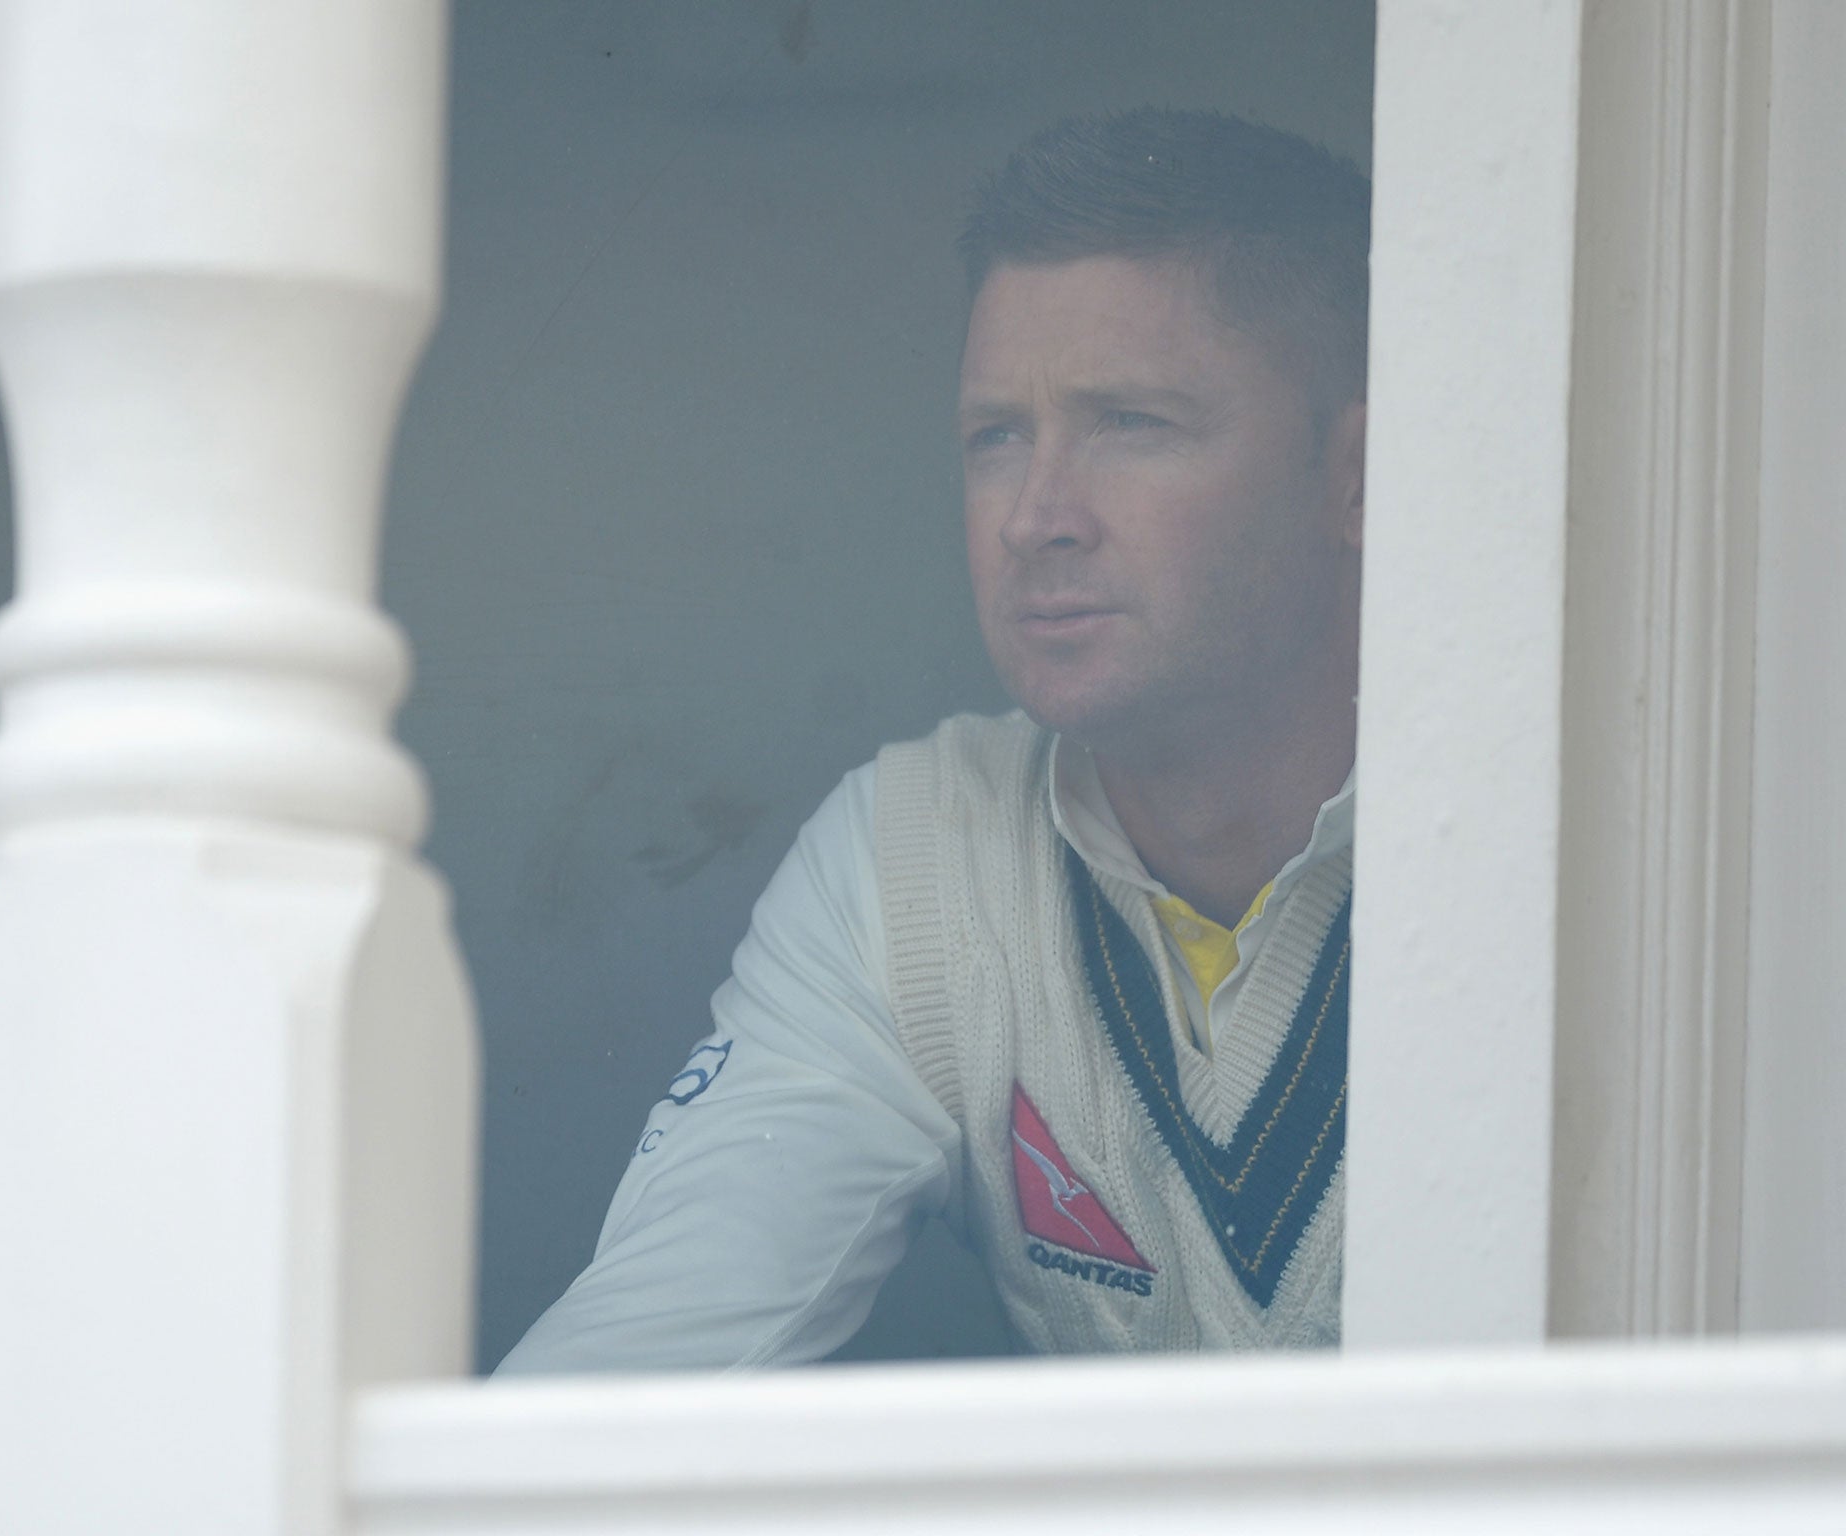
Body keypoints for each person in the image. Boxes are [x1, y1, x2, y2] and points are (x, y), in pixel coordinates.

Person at [496, 108, 1369, 1372]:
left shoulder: (1563, 847)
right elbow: (624, 1389)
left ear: (1355, 475)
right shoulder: (918, 853)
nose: (1034, 517)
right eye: (995, 436)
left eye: (1130, 423)